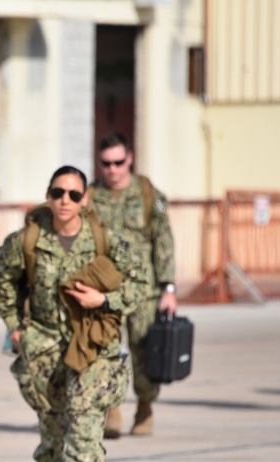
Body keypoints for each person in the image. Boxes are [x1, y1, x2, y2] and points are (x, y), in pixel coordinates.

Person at [0, 165, 141, 462]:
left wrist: (103, 300)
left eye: (74, 194)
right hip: (43, 346)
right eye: (58, 193)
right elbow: (1, 283)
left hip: (92, 342)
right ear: (48, 195)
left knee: (85, 412)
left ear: (85, 199)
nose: (65, 201)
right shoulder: (26, 240)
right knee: (54, 425)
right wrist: (14, 327)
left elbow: (138, 284)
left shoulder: (106, 240)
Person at [89, 132, 177, 437]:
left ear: (130, 158)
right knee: (105, 350)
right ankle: (112, 408)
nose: (112, 169)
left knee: (142, 351)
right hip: (105, 289)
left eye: (118, 162)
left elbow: (163, 240)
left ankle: (144, 406)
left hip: (144, 289)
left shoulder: (148, 194)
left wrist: (169, 289)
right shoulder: (88, 196)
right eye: (105, 163)